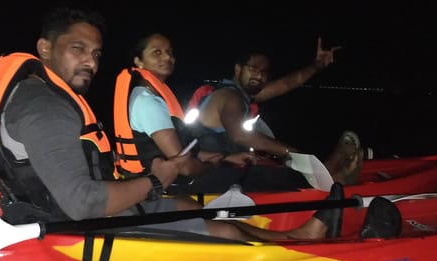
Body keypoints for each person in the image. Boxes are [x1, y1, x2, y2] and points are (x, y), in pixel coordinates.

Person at [0, 5, 398, 242]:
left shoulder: (47, 96)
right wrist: (156, 181)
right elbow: (83, 203)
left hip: (75, 207)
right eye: (78, 49)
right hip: (72, 225)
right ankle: (296, 240)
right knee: (219, 225)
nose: (91, 61)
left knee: (194, 210)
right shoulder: (47, 107)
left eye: (95, 52)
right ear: (44, 49)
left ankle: (296, 237)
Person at [112, 33, 314, 193]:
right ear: (138, 61)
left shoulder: (154, 98)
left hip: (178, 176)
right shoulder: (148, 103)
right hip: (171, 185)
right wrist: (212, 166)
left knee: (255, 170)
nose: (167, 57)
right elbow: (184, 167)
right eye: (157, 52)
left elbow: (285, 85)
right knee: (274, 177)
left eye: (170, 52)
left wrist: (226, 157)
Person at [186, 48, 365, 185]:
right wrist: (294, 152)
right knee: (287, 174)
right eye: (253, 68)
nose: (259, 74)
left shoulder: (242, 95)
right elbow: (240, 135)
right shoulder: (230, 97)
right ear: (238, 69)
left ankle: (328, 169)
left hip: (221, 167)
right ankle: (335, 179)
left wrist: (317, 65)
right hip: (203, 175)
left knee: (279, 164)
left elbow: (286, 84)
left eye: (264, 72)